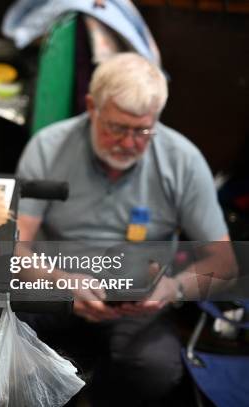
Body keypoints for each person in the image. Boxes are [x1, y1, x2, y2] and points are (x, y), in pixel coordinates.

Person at [15, 53, 237, 406]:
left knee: (155, 370)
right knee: (4, 341)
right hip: (53, 290)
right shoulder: (50, 148)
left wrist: (174, 288)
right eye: (117, 128)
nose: (129, 143)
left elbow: (224, 263)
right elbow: (16, 247)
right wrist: (60, 283)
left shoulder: (182, 160)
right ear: (92, 107)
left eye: (142, 131)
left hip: (137, 306)